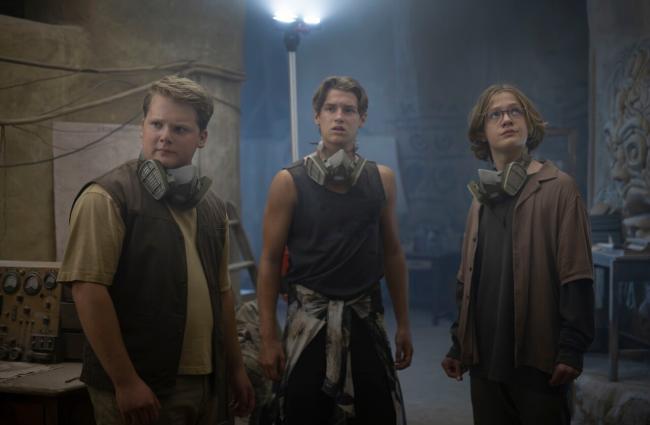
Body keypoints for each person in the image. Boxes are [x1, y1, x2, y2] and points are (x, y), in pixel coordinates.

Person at [58, 75, 254, 425]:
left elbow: (223, 294)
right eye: (156, 124)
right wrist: (125, 381)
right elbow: (87, 290)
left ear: (202, 137)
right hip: (141, 387)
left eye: (179, 129)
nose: (165, 136)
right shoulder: (107, 197)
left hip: (206, 384)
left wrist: (235, 369)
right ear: (142, 128)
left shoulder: (213, 208)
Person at [257, 76, 413, 425]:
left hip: (365, 321)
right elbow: (269, 260)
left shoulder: (382, 179)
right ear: (317, 116)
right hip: (308, 325)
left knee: (375, 414)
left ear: (362, 118)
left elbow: (392, 253)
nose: (339, 116)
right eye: (331, 108)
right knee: (303, 414)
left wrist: (404, 323)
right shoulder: (289, 181)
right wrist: (268, 336)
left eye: (348, 109)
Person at [441, 84, 595, 425]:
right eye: (495, 114)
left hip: (538, 362)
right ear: (482, 132)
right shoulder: (480, 197)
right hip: (484, 360)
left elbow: (577, 274)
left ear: (529, 123)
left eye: (515, 111)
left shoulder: (559, 188)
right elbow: (467, 278)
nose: (506, 119)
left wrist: (571, 348)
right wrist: (458, 343)